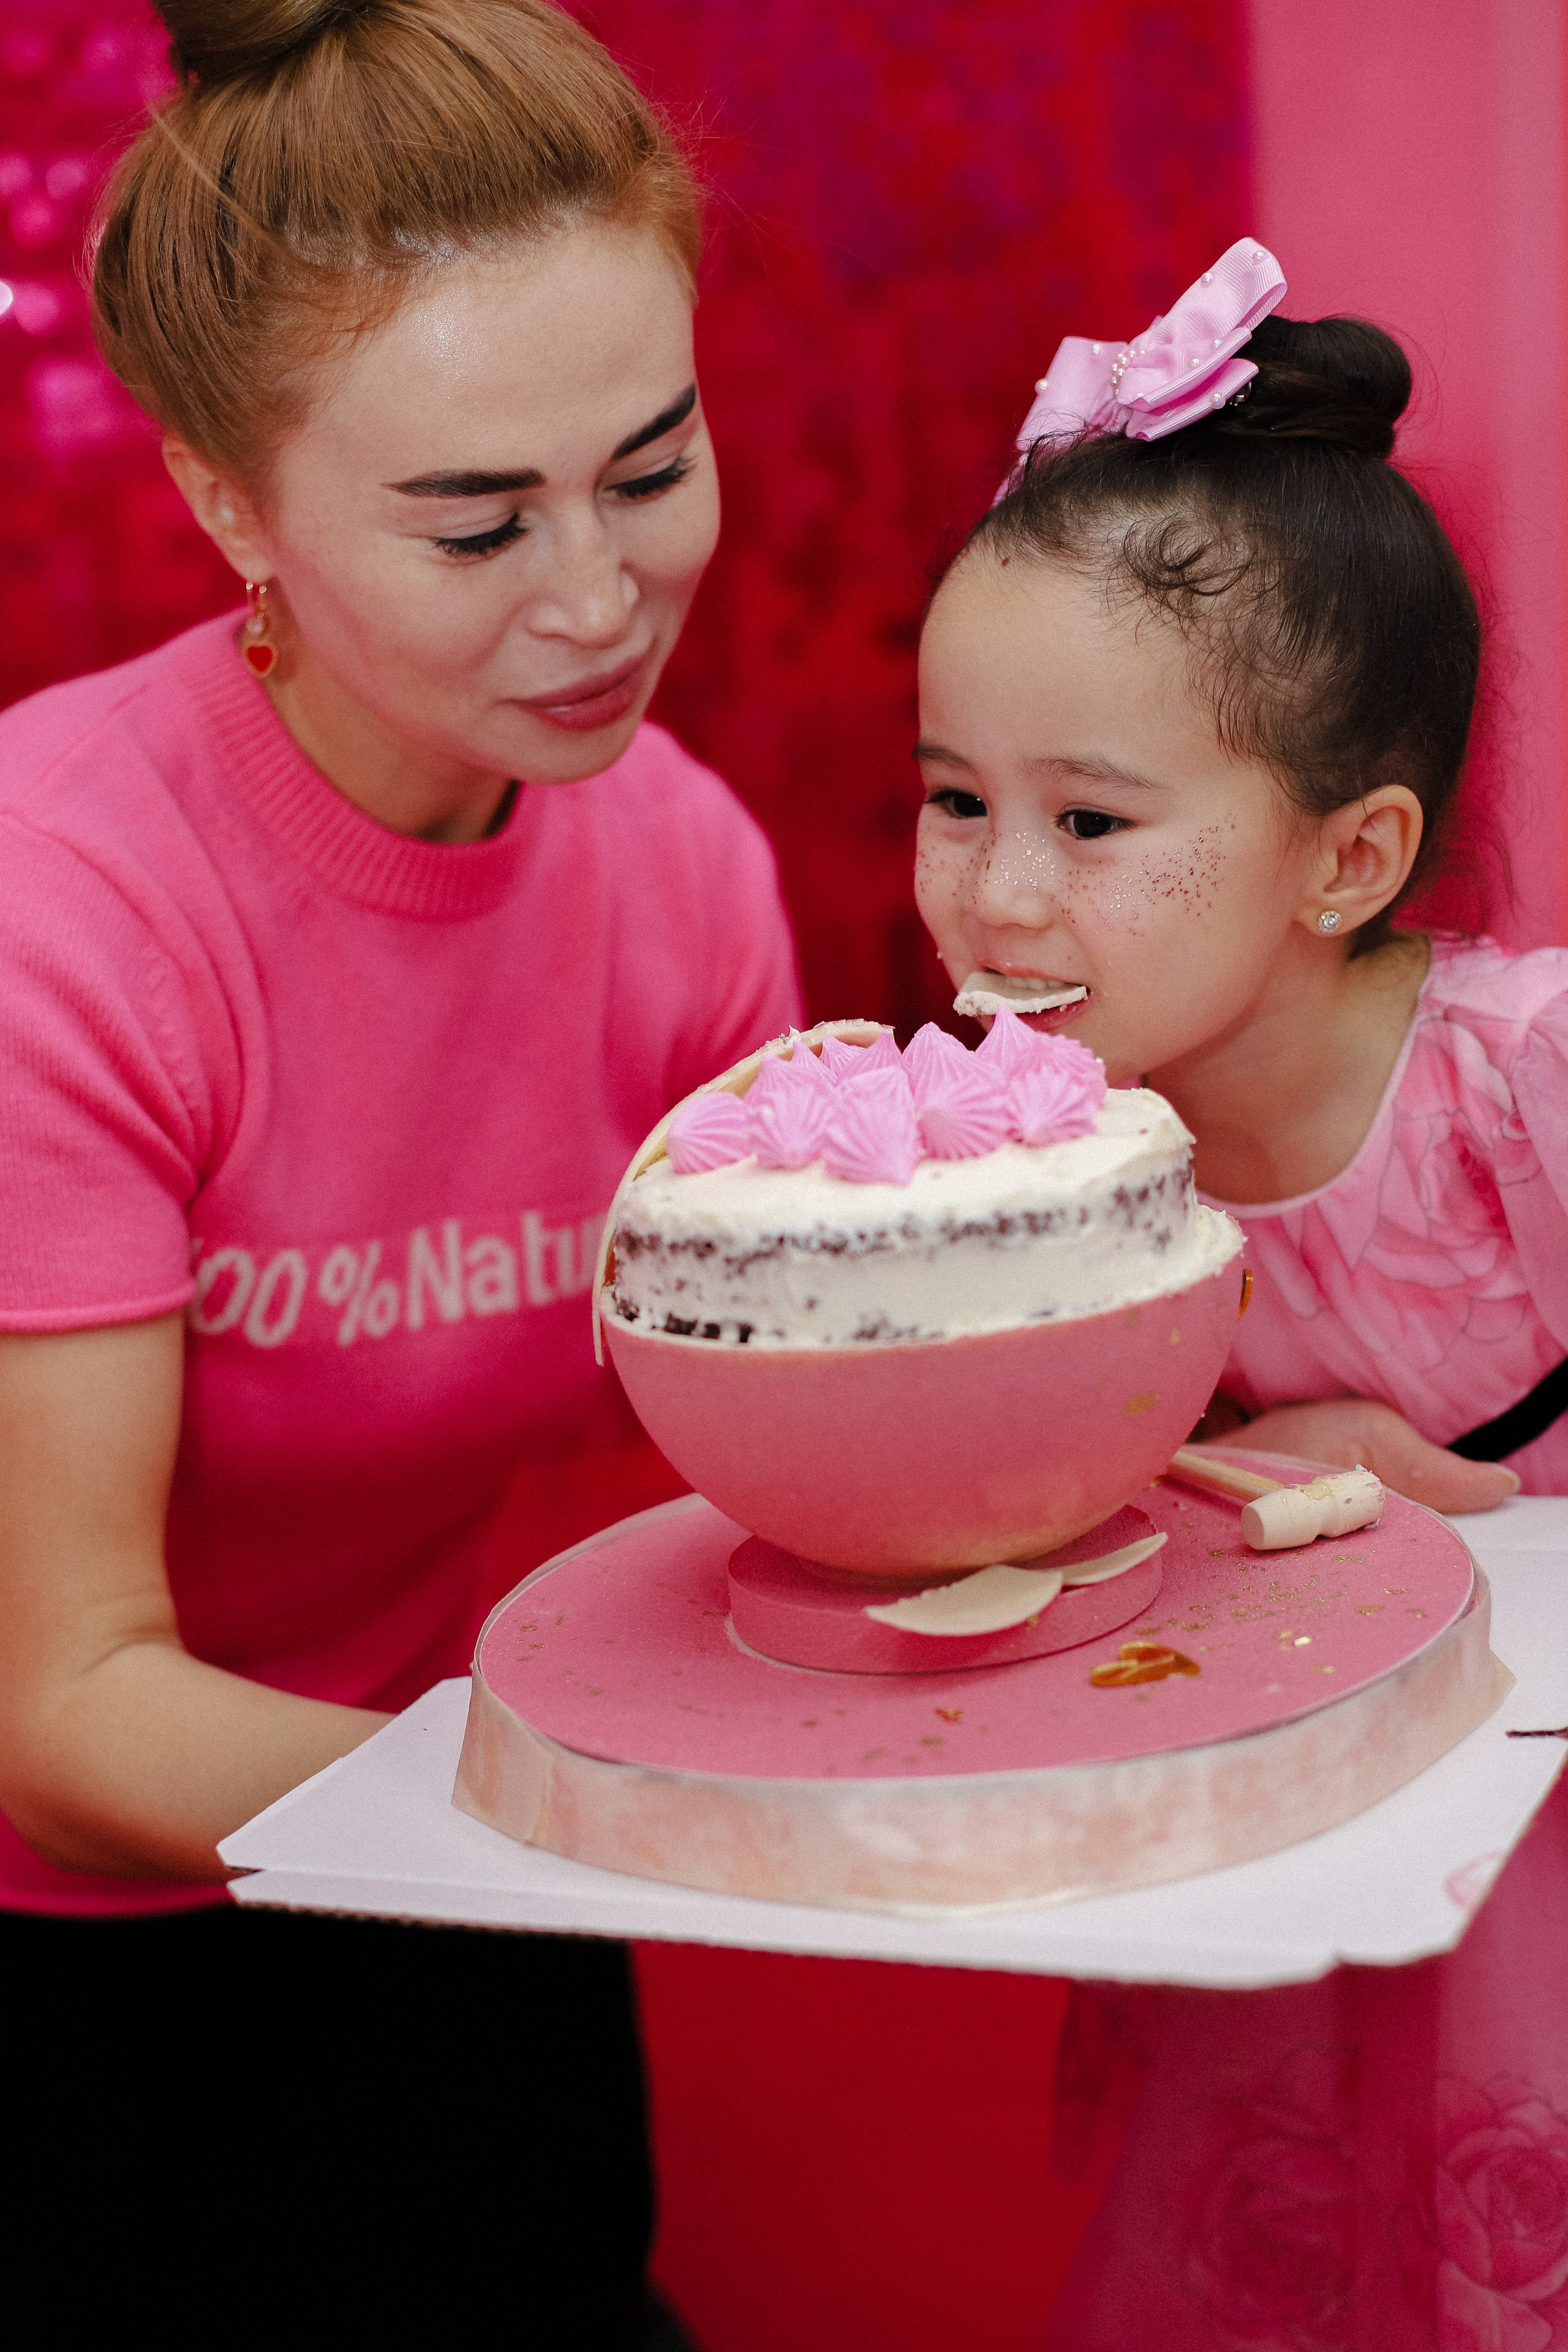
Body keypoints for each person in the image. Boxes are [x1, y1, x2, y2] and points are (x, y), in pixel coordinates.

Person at [0, 4, 796, 2342]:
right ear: (228, 502)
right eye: (476, 521)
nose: (597, 596)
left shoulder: (680, 870)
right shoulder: (65, 915)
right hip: (75, 1936)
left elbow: (800, 1446)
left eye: (652, 469)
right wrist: (582, 1810)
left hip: (441, 1836)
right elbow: (66, 1712)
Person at [910, 239, 1568, 2344]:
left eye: (1092, 819)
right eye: (952, 800)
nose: (993, 891)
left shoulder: (1522, 1092)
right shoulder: (1045, 1147)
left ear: (1349, 859)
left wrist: (1443, 1511)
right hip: (1262, 1900)